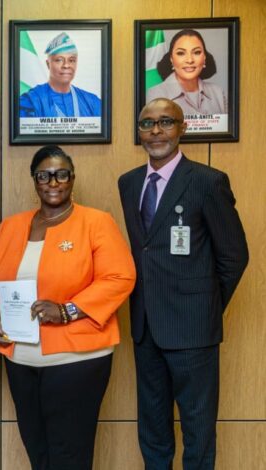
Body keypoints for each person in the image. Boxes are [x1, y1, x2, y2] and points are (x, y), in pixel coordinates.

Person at [118, 98, 248, 469]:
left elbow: (234, 256)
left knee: (198, 431)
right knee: (152, 430)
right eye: (147, 124)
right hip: (146, 328)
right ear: (139, 131)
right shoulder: (128, 183)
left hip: (193, 330)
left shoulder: (207, 182)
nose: (156, 131)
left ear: (182, 128)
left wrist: (204, 306)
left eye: (166, 122)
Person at [0, 145, 135, 470]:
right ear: (34, 180)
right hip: (20, 359)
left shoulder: (96, 222)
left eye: (61, 174)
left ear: (72, 178)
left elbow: (120, 277)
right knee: (37, 452)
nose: (53, 182)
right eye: (44, 175)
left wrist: (68, 310)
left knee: (69, 456)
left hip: (76, 360)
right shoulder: (11, 226)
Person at [19, 32, 101, 118]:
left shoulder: (93, 102)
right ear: (48, 64)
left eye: (71, 60)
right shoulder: (31, 101)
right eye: (59, 60)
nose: (66, 65)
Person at [146, 29, 227, 115]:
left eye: (196, 52)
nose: (190, 60)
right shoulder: (156, 94)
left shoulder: (218, 93)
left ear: (204, 58)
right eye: (181, 53)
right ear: (171, 59)